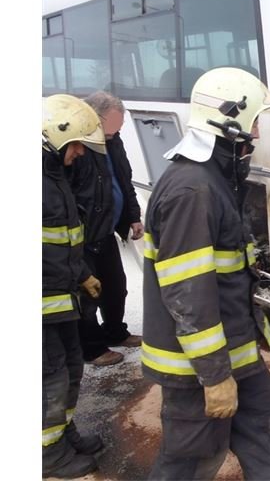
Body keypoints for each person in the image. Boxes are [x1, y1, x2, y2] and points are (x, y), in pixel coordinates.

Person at [141, 67, 270, 480]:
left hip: (234, 352)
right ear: (233, 120)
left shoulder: (214, 179)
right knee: (193, 459)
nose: (258, 133)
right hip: (198, 369)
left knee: (266, 430)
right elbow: (189, 294)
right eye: (255, 121)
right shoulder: (193, 190)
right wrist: (214, 377)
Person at [42, 94, 108, 478]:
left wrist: (81, 273)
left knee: (68, 368)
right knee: (49, 376)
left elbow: (62, 240)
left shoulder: (52, 177)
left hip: (61, 297)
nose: (81, 153)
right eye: (78, 144)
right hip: (43, 304)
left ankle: (61, 434)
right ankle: (47, 453)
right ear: (56, 136)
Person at [69, 91, 143, 367]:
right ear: (92, 118)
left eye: (117, 131)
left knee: (116, 288)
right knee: (87, 296)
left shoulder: (113, 141)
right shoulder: (77, 146)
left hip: (107, 231)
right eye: (109, 131)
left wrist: (132, 216)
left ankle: (115, 332)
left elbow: (125, 180)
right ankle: (92, 348)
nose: (112, 136)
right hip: (84, 237)